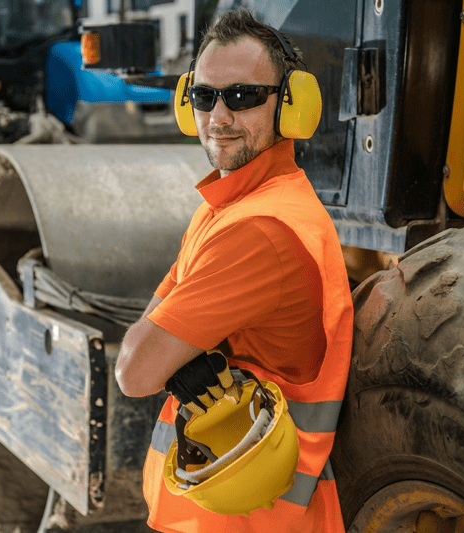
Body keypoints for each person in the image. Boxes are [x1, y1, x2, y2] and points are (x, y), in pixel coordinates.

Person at [115, 9, 353, 533]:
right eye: (204, 96)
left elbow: (134, 369)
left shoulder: (259, 231)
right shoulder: (226, 209)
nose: (218, 116)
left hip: (255, 518)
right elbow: (150, 337)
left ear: (291, 105)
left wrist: (174, 350)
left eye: (244, 97)